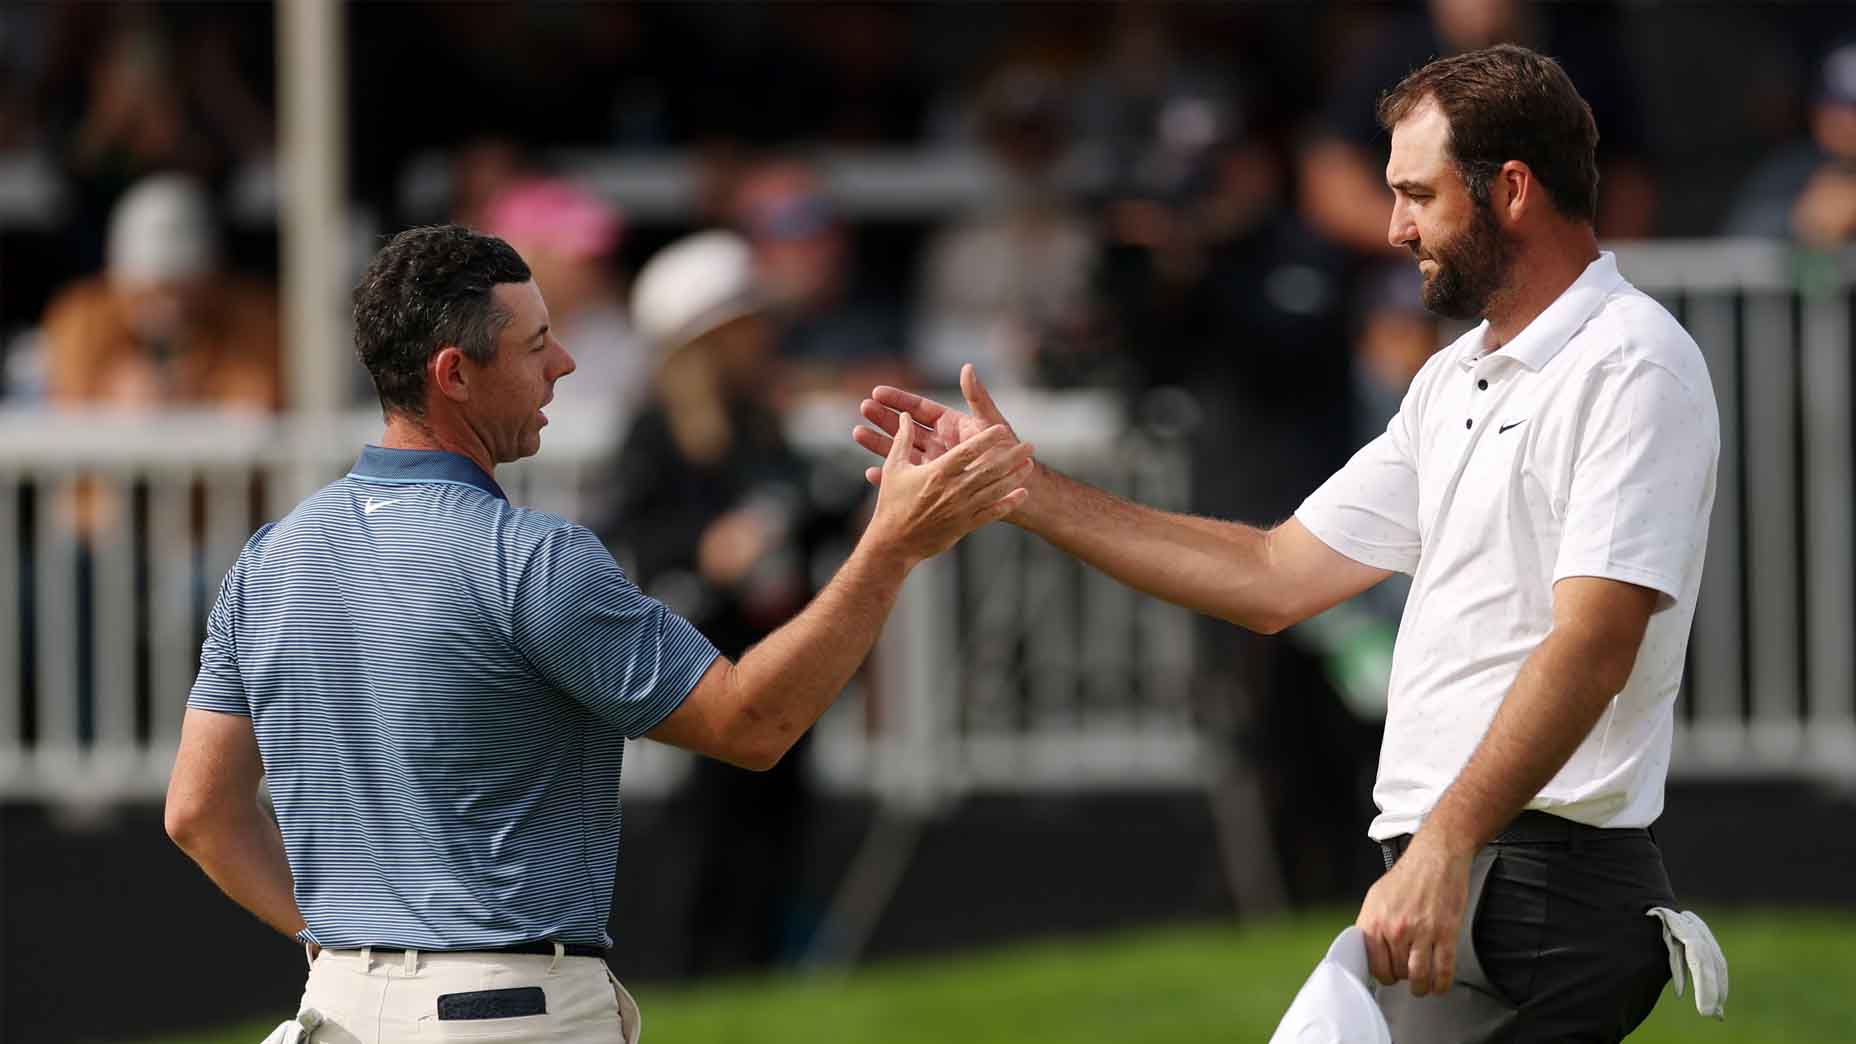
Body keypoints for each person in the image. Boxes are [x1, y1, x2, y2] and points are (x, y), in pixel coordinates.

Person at [854, 45, 1718, 1042]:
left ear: (1511, 189)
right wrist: (1024, 488)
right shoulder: (1455, 381)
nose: (1393, 226)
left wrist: (1444, 843)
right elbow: (1274, 575)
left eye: (1417, 194)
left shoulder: (1629, 361)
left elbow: (1592, 644)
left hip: (1537, 886)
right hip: (1468, 875)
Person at [163, 224, 1033, 1043]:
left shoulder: (269, 558)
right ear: (454, 375)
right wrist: (891, 550)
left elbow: (200, 812)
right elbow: (750, 726)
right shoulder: (530, 556)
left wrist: (351, 947)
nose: (566, 364)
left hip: (336, 1012)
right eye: (537, 346)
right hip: (509, 1015)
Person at [598, 231, 860, 974]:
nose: (763, 338)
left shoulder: (761, 423)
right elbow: (634, 536)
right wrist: (707, 545)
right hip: (706, 657)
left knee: (785, 814)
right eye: (744, 324)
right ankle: (708, 967)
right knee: (715, 823)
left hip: (780, 647)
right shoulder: (660, 433)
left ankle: (770, 958)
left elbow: (804, 506)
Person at [1723, 38, 1856, 246]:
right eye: (1836, 106)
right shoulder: (1790, 169)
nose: (1847, 121)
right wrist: (1798, 220)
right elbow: (1736, 244)